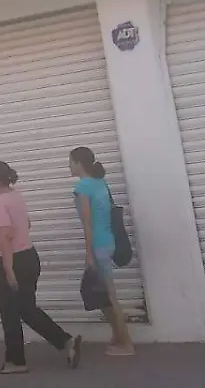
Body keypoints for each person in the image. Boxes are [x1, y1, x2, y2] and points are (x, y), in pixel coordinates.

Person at [0, 161, 82, 374]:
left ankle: (16, 361)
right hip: (29, 256)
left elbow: (6, 235)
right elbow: (26, 224)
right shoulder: (16, 196)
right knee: (27, 309)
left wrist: (8, 269)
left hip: (13, 260)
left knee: (10, 312)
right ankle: (66, 341)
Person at [69, 146, 134, 357]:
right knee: (103, 295)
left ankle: (127, 345)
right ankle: (117, 336)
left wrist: (88, 253)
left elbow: (87, 224)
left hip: (98, 245)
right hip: (108, 241)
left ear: (79, 163)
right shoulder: (101, 182)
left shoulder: (83, 187)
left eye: (71, 162)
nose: (69, 166)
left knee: (109, 297)